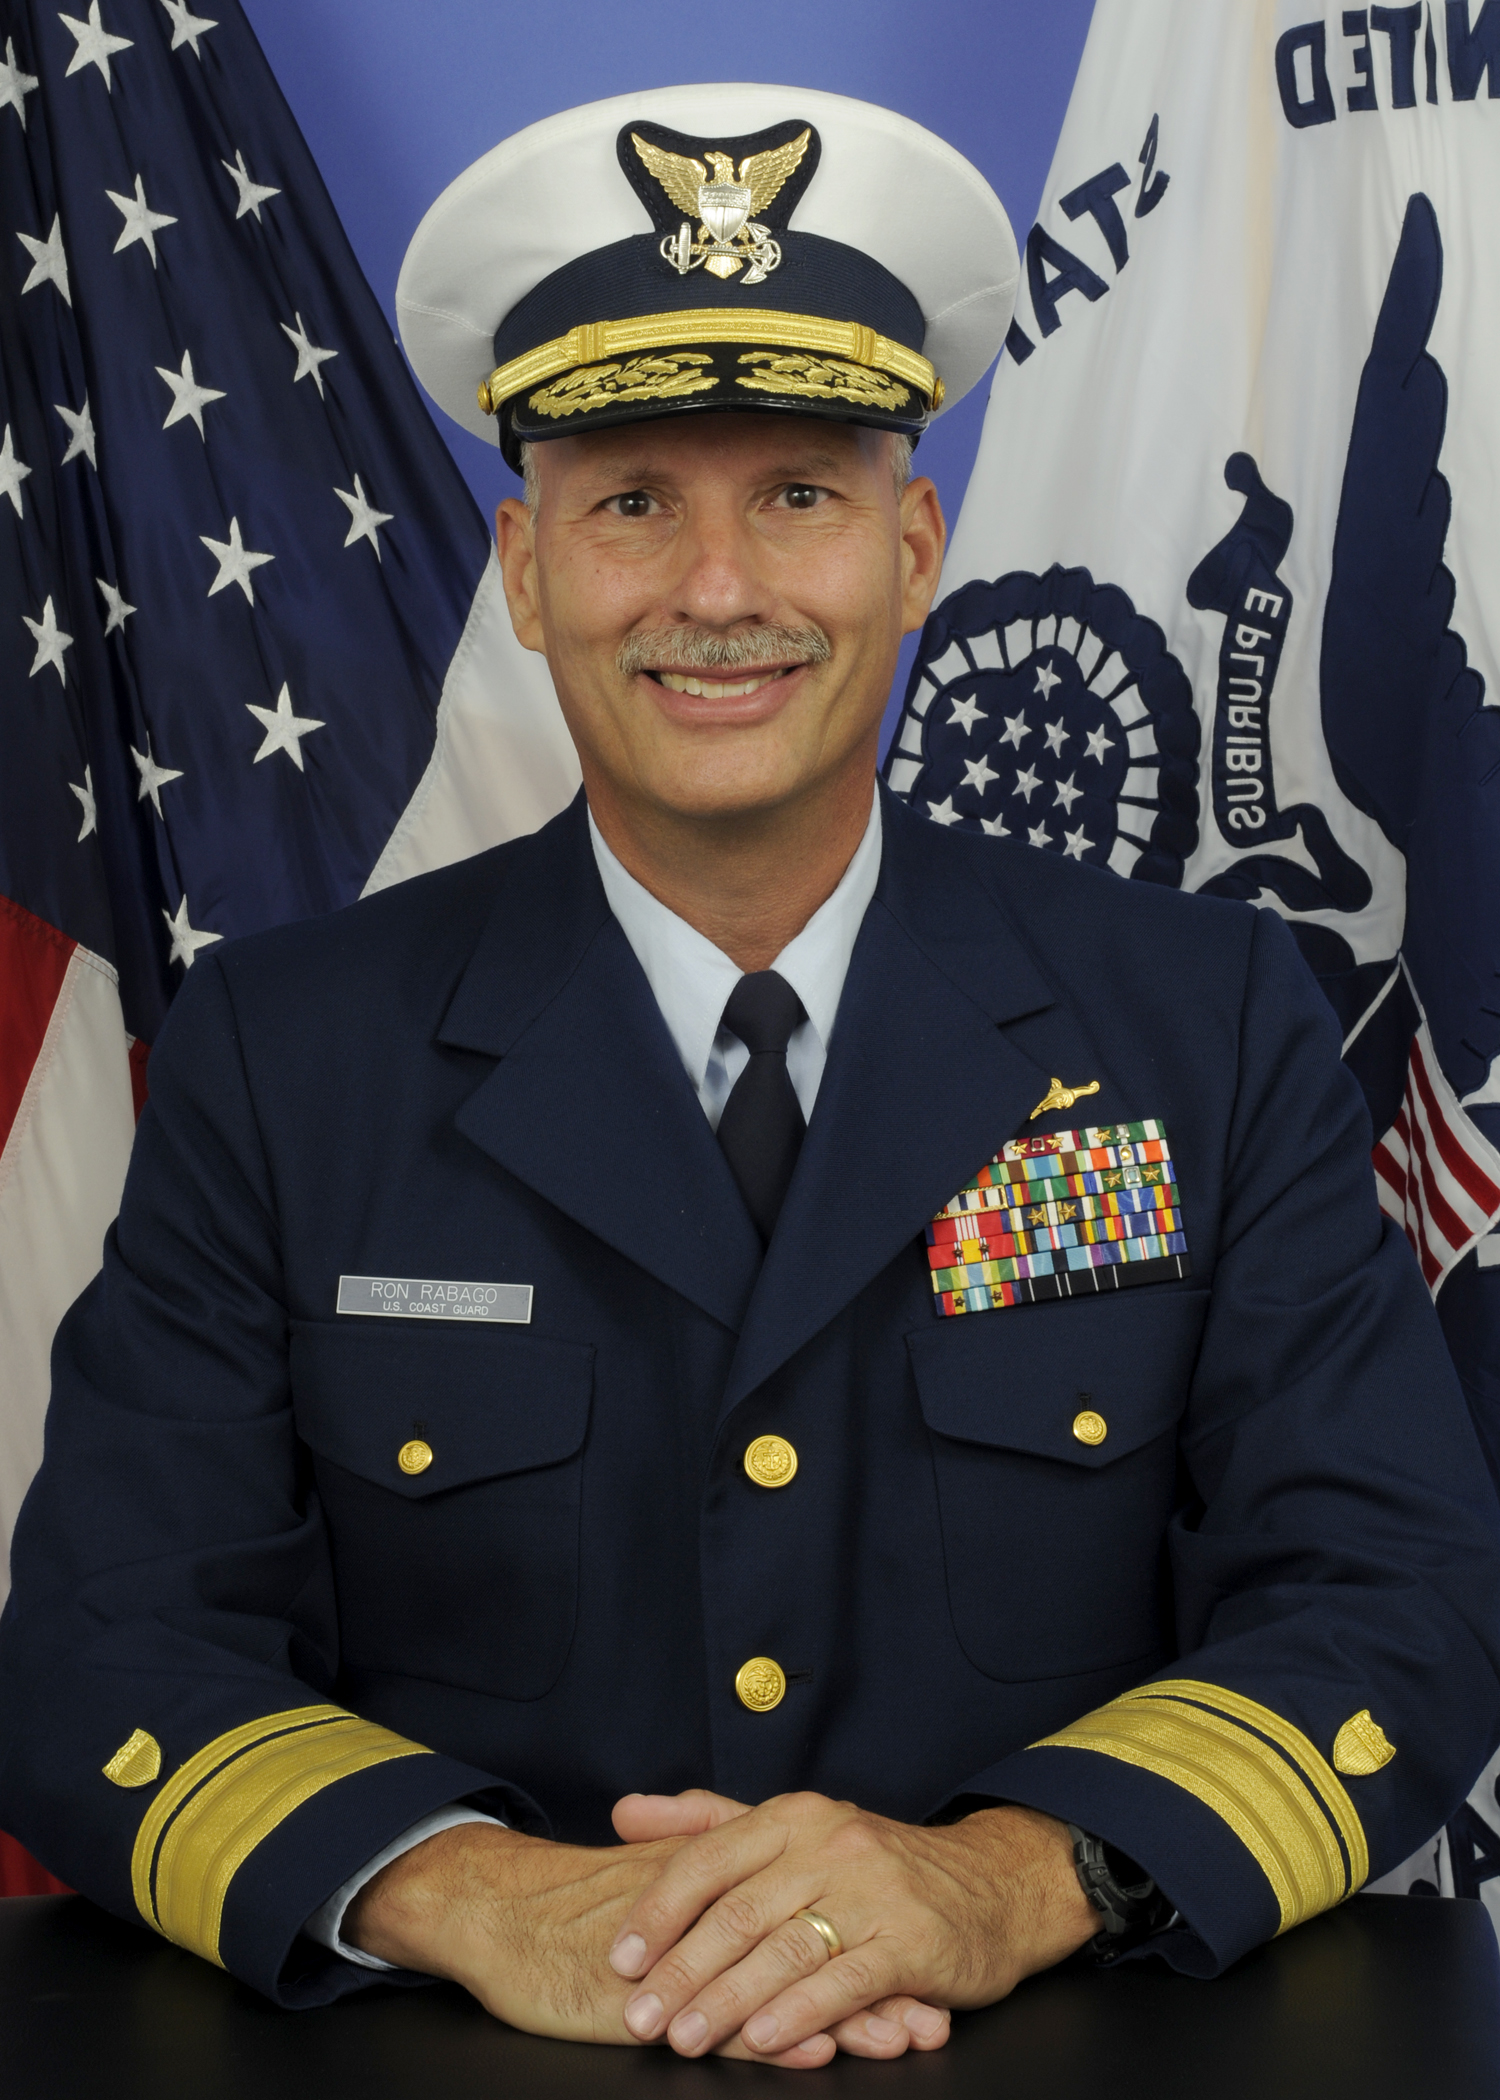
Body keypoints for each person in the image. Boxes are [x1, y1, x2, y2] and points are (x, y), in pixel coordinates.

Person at [3, 82, 1500, 2073]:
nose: (718, 591)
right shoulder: (287, 1057)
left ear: (915, 548)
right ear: (528, 575)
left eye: (797, 492)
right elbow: (109, 1639)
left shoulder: (1207, 1022)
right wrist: (483, 1894)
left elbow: (1395, 1589)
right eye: (632, 503)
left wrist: (1002, 1879)